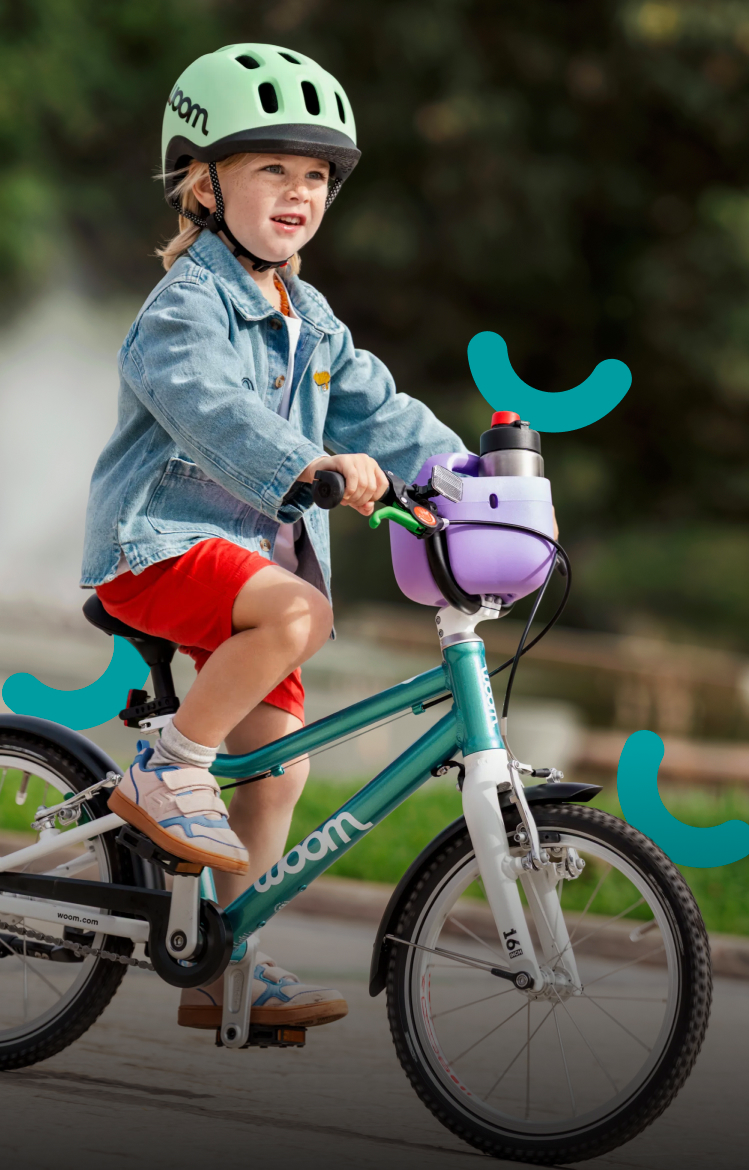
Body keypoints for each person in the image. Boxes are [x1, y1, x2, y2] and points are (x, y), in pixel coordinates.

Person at [80, 44, 467, 1032]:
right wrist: (309, 467)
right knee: (301, 612)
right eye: (272, 170)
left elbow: (383, 414)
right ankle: (168, 770)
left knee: (279, 771)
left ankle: (222, 965)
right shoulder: (187, 305)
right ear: (204, 184)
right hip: (161, 546)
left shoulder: (313, 318)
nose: (299, 193)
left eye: (316, 176)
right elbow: (204, 404)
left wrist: (476, 481)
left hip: (245, 571)